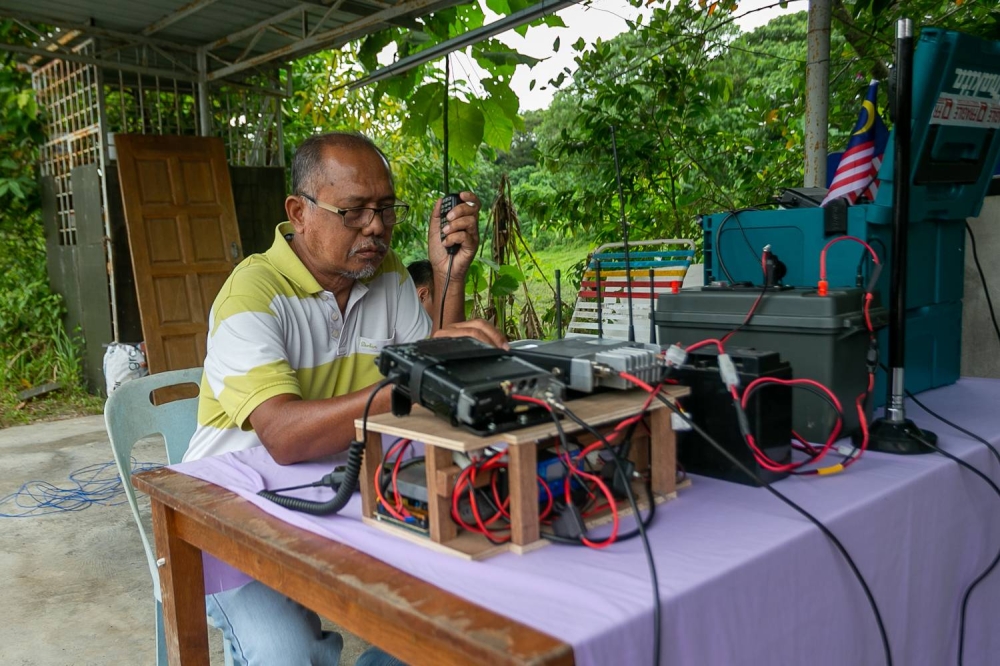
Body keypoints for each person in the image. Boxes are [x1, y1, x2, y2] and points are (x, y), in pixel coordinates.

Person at [183, 131, 506, 666]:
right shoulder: (252, 294)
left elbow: (434, 387)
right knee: (286, 653)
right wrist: (407, 378)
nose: (376, 227)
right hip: (236, 513)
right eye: (353, 211)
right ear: (299, 211)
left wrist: (449, 276)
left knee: (455, 618)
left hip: (340, 491)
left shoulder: (389, 277)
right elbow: (285, 437)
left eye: (385, 209)